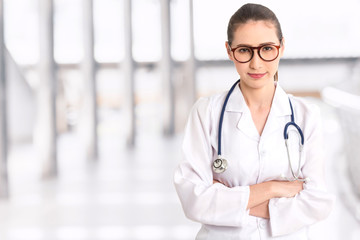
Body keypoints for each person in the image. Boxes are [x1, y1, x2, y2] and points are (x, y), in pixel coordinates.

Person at [173, 3, 334, 239]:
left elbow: (318, 201)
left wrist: (227, 202)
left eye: (267, 48)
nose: (256, 63)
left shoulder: (306, 115)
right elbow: (195, 201)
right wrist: (275, 188)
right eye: (244, 50)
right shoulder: (206, 113)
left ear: (282, 47)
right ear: (229, 51)